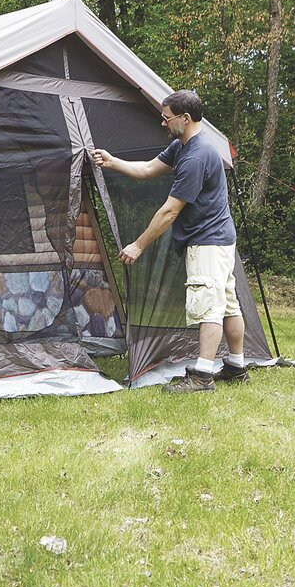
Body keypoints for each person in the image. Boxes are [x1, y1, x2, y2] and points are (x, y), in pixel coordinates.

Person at [91, 90, 248, 393]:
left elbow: (169, 212)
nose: (162, 123)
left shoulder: (197, 156)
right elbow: (149, 169)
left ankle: (202, 376)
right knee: (228, 304)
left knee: (209, 306)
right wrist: (113, 162)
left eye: (166, 118)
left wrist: (138, 245)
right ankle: (236, 366)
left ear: (185, 119)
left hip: (207, 241)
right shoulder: (182, 146)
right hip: (219, 238)